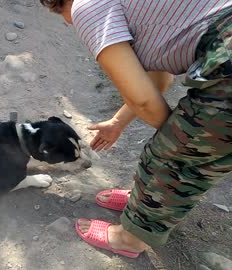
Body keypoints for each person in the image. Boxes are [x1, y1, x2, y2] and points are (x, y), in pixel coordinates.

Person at [40, 0, 232, 258]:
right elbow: (159, 79)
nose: (67, 22)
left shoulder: (86, 7)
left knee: (171, 160)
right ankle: (148, 201)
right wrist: (119, 122)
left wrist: (174, 152)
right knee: (180, 154)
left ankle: (129, 238)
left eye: (60, 15)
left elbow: (143, 100)